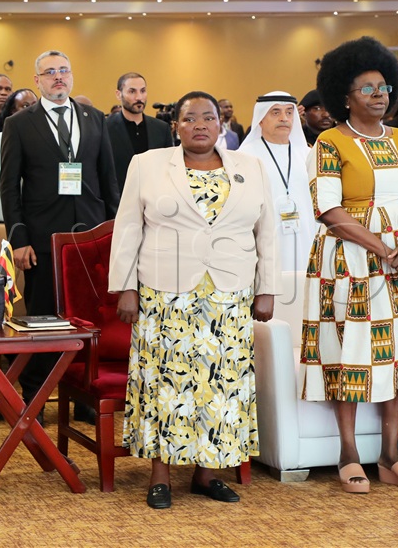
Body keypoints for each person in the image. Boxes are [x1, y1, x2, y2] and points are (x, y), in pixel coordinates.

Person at [298, 36, 398, 494]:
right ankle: (349, 453)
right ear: (343, 97)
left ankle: (392, 455)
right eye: (366, 88)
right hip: (350, 261)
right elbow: (329, 210)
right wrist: (385, 250)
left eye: (383, 86)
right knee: (351, 350)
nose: (378, 94)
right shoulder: (329, 142)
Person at [109, 91, 277, 508]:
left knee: (222, 384)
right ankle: (160, 475)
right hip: (164, 293)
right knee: (166, 384)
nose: (200, 124)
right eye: (190, 118)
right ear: (176, 126)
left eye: (209, 117)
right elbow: (128, 227)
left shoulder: (250, 167)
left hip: (230, 294)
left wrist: (267, 288)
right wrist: (125, 286)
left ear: (222, 124)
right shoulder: (147, 164)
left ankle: (207, 474)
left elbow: (267, 233)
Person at [0, 49, 119, 421]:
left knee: (86, 319)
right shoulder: (20, 125)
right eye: (49, 72)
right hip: (41, 238)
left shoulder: (95, 119)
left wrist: (116, 234)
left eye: (64, 71)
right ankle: (34, 396)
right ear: (37, 81)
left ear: (72, 76)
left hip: (91, 237)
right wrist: (19, 238)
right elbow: (9, 187)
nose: (58, 78)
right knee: (43, 319)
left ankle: (81, 393)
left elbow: (109, 180)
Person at [238, 91, 317, 272]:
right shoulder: (245, 156)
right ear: (260, 119)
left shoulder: (307, 153)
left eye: (289, 112)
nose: (284, 118)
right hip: (265, 240)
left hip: (305, 237)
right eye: (275, 112)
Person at [106, 72, 174, 192]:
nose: (139, 97)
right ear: (118, 94)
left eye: (142, 91)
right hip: (118, 202)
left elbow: (169, 168)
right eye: (132, 92)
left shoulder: (161, 129)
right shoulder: (105, 128)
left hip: (155, 200)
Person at [0, 88, 38, 222]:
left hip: (39, 215)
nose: (31, 110)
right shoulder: (2, 139)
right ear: (12, 111)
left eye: (35, 105)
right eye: (24, 106)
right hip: (8, 217)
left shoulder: (45, 139)